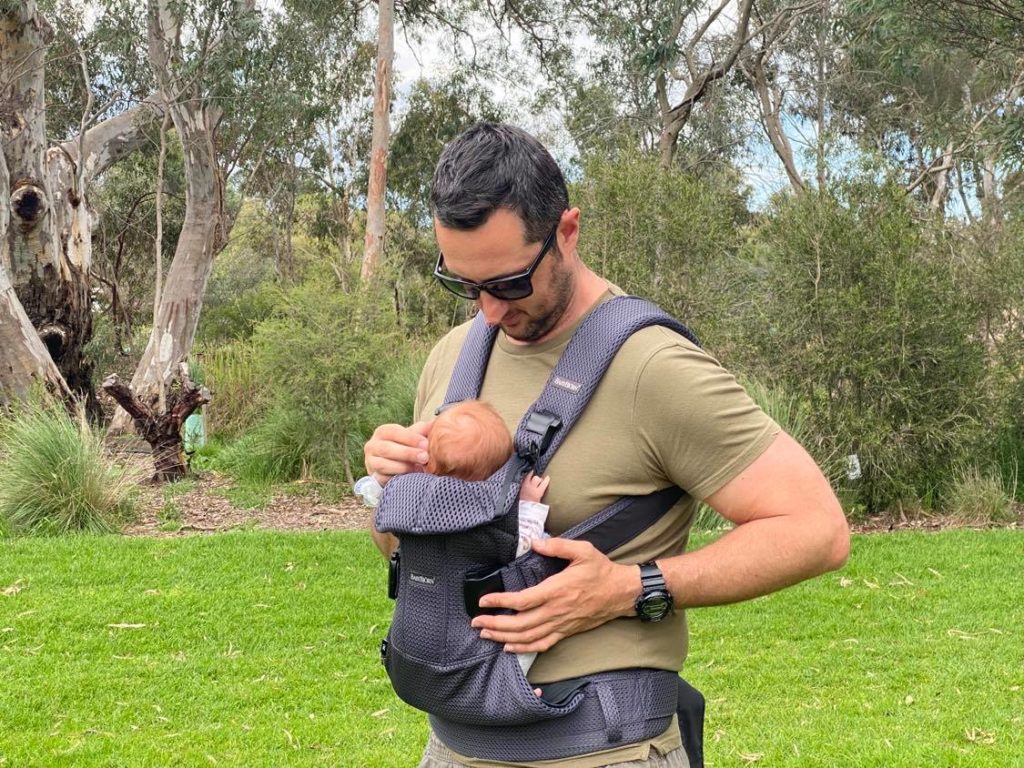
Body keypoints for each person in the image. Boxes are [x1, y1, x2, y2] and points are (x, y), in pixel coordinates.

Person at [364, 122, 850, 768]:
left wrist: (632, 586)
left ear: (566, 232)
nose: (488, 312)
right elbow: (404, 554)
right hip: (453, 749)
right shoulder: (454, 357)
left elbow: (817, 529)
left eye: (509, 283)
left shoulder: (654, 368)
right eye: (465, 285)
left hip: (605, 750)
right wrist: (394, 492)